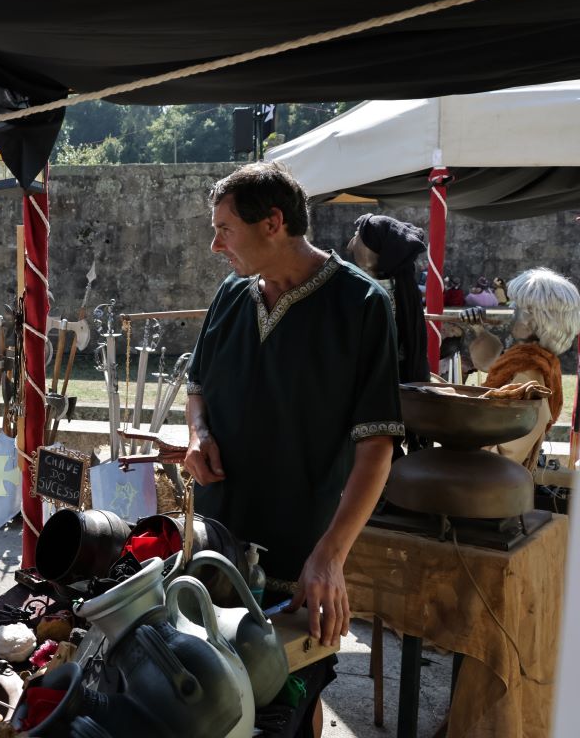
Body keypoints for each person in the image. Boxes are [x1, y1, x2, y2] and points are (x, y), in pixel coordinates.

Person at [183, 162, 403, 738]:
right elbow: (197, 389)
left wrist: (330, 554)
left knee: (288, 714)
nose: (214, 244)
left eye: (225, 229)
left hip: (300, 564)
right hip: (215, 551)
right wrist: (198, 433)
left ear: (273, 223)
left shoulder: (361, 304)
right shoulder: (231, 295)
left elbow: (376, 445)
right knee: (212, 712)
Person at [462, 267, 580, 469]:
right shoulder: (530, 360)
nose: (513, 312)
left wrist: (471, 457)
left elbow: (509, 453)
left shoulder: (531, 368)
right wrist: (479, 329)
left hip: (494, 479)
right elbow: (497, 366)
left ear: (534, 320)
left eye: (518, 307)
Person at [347, 213, 430, 384]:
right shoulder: (398, 286)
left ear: (375, 248)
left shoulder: (378, 291)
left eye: (357, 234)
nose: (351, 243)